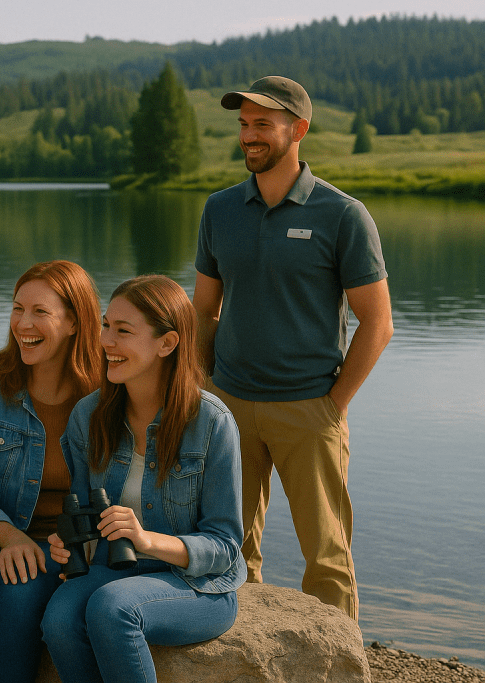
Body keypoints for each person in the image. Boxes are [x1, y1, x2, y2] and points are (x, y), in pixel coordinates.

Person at [192, 76, 393, 621]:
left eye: (262, 124)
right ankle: (239, 658)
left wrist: (333, 404)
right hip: (229, 406)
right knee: (228, 551)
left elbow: (378, 323)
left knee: (327, 560)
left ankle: (342, 669)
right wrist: (204, 390)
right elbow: (203, 313)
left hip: (309, 408)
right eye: (243, 125)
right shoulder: (220, 210)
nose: (249, 136)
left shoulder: (342, 215)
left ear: (298, 130)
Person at [41, 274, 245, 683]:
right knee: (59, 619)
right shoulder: (89, 414)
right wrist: (71, 541)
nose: (105, 341)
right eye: (105, 326)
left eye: (123, 331)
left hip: (198, 584)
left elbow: (224, 546)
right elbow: (83, 511)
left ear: (167, 344)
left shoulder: (212, 422)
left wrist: (146, 540)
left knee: (114, 607)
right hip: (113, 569)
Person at [0, 260, 105, 683]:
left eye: (40, 312)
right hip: (2, 541)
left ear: (76, 322)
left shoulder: (106, 394)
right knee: (22, 594)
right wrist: (10, 537)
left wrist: (83, 540)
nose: (23, 323)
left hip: (81, 548)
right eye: (17, 308)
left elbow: (119, 489)